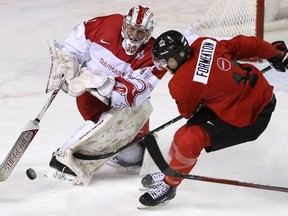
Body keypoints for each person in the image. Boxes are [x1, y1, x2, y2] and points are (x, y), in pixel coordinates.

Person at [138, 30, 288, 207]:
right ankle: (171, 171)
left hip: (251, 118)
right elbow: (245, 44)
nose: (165, 66)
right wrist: (277, 54)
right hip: (259, 93)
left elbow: (188, 111)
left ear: (178, 56)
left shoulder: (179, 83)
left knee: (190, 139)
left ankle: (169, 185)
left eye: (166, 61)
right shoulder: (205, 44)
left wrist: (201, 89)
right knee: (181, 135)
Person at [45, 5, 166, 185]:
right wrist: (68, 61)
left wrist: (102, 82)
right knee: (104, 128)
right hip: (90, 98)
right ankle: (66, 158)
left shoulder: (154, 56)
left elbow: (134, 95)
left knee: (133, 160)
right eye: (131, 28)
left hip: (128, 111)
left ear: (148, 33)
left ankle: (109, 150)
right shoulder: (106, 25)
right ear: (124, 24)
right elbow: (74, 47)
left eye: (140, 32)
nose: (134, 35)